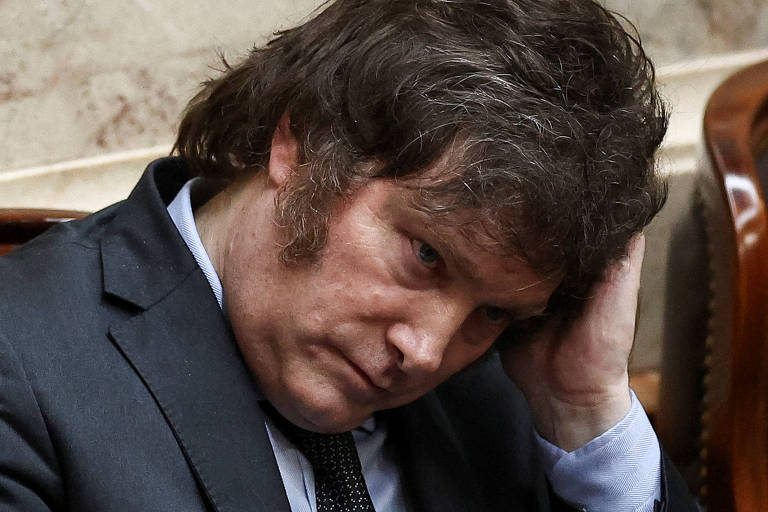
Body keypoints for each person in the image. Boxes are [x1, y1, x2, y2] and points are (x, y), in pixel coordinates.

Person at [0, 0, 699, 510]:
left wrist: (584, 409)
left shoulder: (506, 386)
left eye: (491, 312)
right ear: (303, 143)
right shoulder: (24, 369)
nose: (427, 352)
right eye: (426, 255)